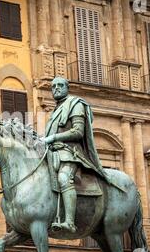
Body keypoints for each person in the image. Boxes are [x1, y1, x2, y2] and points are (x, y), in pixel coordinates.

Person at [43, 77, 111, 232]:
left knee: (64, 178)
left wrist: (53, 138)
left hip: (70, 153)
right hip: (54, 153)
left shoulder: (76, 104)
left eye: (60, 85)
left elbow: (78, 132)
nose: (56, 88)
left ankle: (69, 222)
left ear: (67, 87)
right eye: (53, 86)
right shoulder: (56, 110)